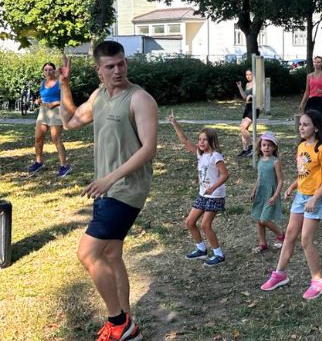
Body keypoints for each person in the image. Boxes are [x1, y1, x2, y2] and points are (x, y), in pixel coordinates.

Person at [59, 41, 157, 341]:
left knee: (88, 253)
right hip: (106, 189)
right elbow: (69, 122)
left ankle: (118, 322)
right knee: (112, 254)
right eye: (110, 66)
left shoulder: (139, 99)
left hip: (126, 189)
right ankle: (128, 322)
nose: (118, 70)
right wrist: (64, 86)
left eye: (122, 63)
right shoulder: (99, 96)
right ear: (98, 70)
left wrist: (110, 179)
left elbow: (149, 149)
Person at [260, 110, 322, 300]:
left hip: (315, 198)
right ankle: (280, 274)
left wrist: (314, 199)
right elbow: (303, 174)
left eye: (306, 124)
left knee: (306, 240)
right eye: (300, 124)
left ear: (316, 127)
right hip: (301, 196)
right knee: (290, 235)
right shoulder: (301, 147)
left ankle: (318, 282)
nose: (301, 127)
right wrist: (292, 187)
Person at [168, 115, 229, 266]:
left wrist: (213, 187)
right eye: (200, 139)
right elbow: (184, 141)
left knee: (205, 225)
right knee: (189, 222)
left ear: (212, 141)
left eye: (205, 140)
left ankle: (218, 254)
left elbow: (225, 174)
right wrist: (174, 123)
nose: (201, 142)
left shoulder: (215, 156)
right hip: (203, 194)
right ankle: (201, 250)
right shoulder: (200, 154)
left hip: (215, 196)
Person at [28, 62, 71, 177]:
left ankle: (64, 166)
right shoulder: (43, 83)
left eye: (50, 69)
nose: (48, 71)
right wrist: (39, 100)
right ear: (43, 72)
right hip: (43, 112)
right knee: (38, 138)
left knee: (56, 139)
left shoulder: (60, 83)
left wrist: (55, 103)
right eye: (46, 70)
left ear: (54, 70)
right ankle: (39, 162)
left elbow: (67, 99)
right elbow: (44, 97)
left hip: (56, 111)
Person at [250, 132, 285, 253]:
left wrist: (275, 195)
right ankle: (262, 243)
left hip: (270, 193)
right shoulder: (260, 160)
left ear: (274, 147)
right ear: (260, 147)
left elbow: (280, 181)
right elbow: (259, 177)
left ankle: (281, 234)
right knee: (258, 219)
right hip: (260, 193)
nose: (266, 147)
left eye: (270, 145)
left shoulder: (275, 162)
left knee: (264, 219)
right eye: (264, 145)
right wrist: (254, 191)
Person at [237, 69, 260, 157]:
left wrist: (251, 96)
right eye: (246, 75)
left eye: (250, 74)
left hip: (254, 108)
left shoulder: (256, 84)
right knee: (244, 129)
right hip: (247, 108)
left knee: (242, 127)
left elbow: (258, 97)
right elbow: (244, 97)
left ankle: (252, 146)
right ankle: (245, 150)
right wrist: (240, 88)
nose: (248, 76)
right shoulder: (247, 84)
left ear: (253, 74)